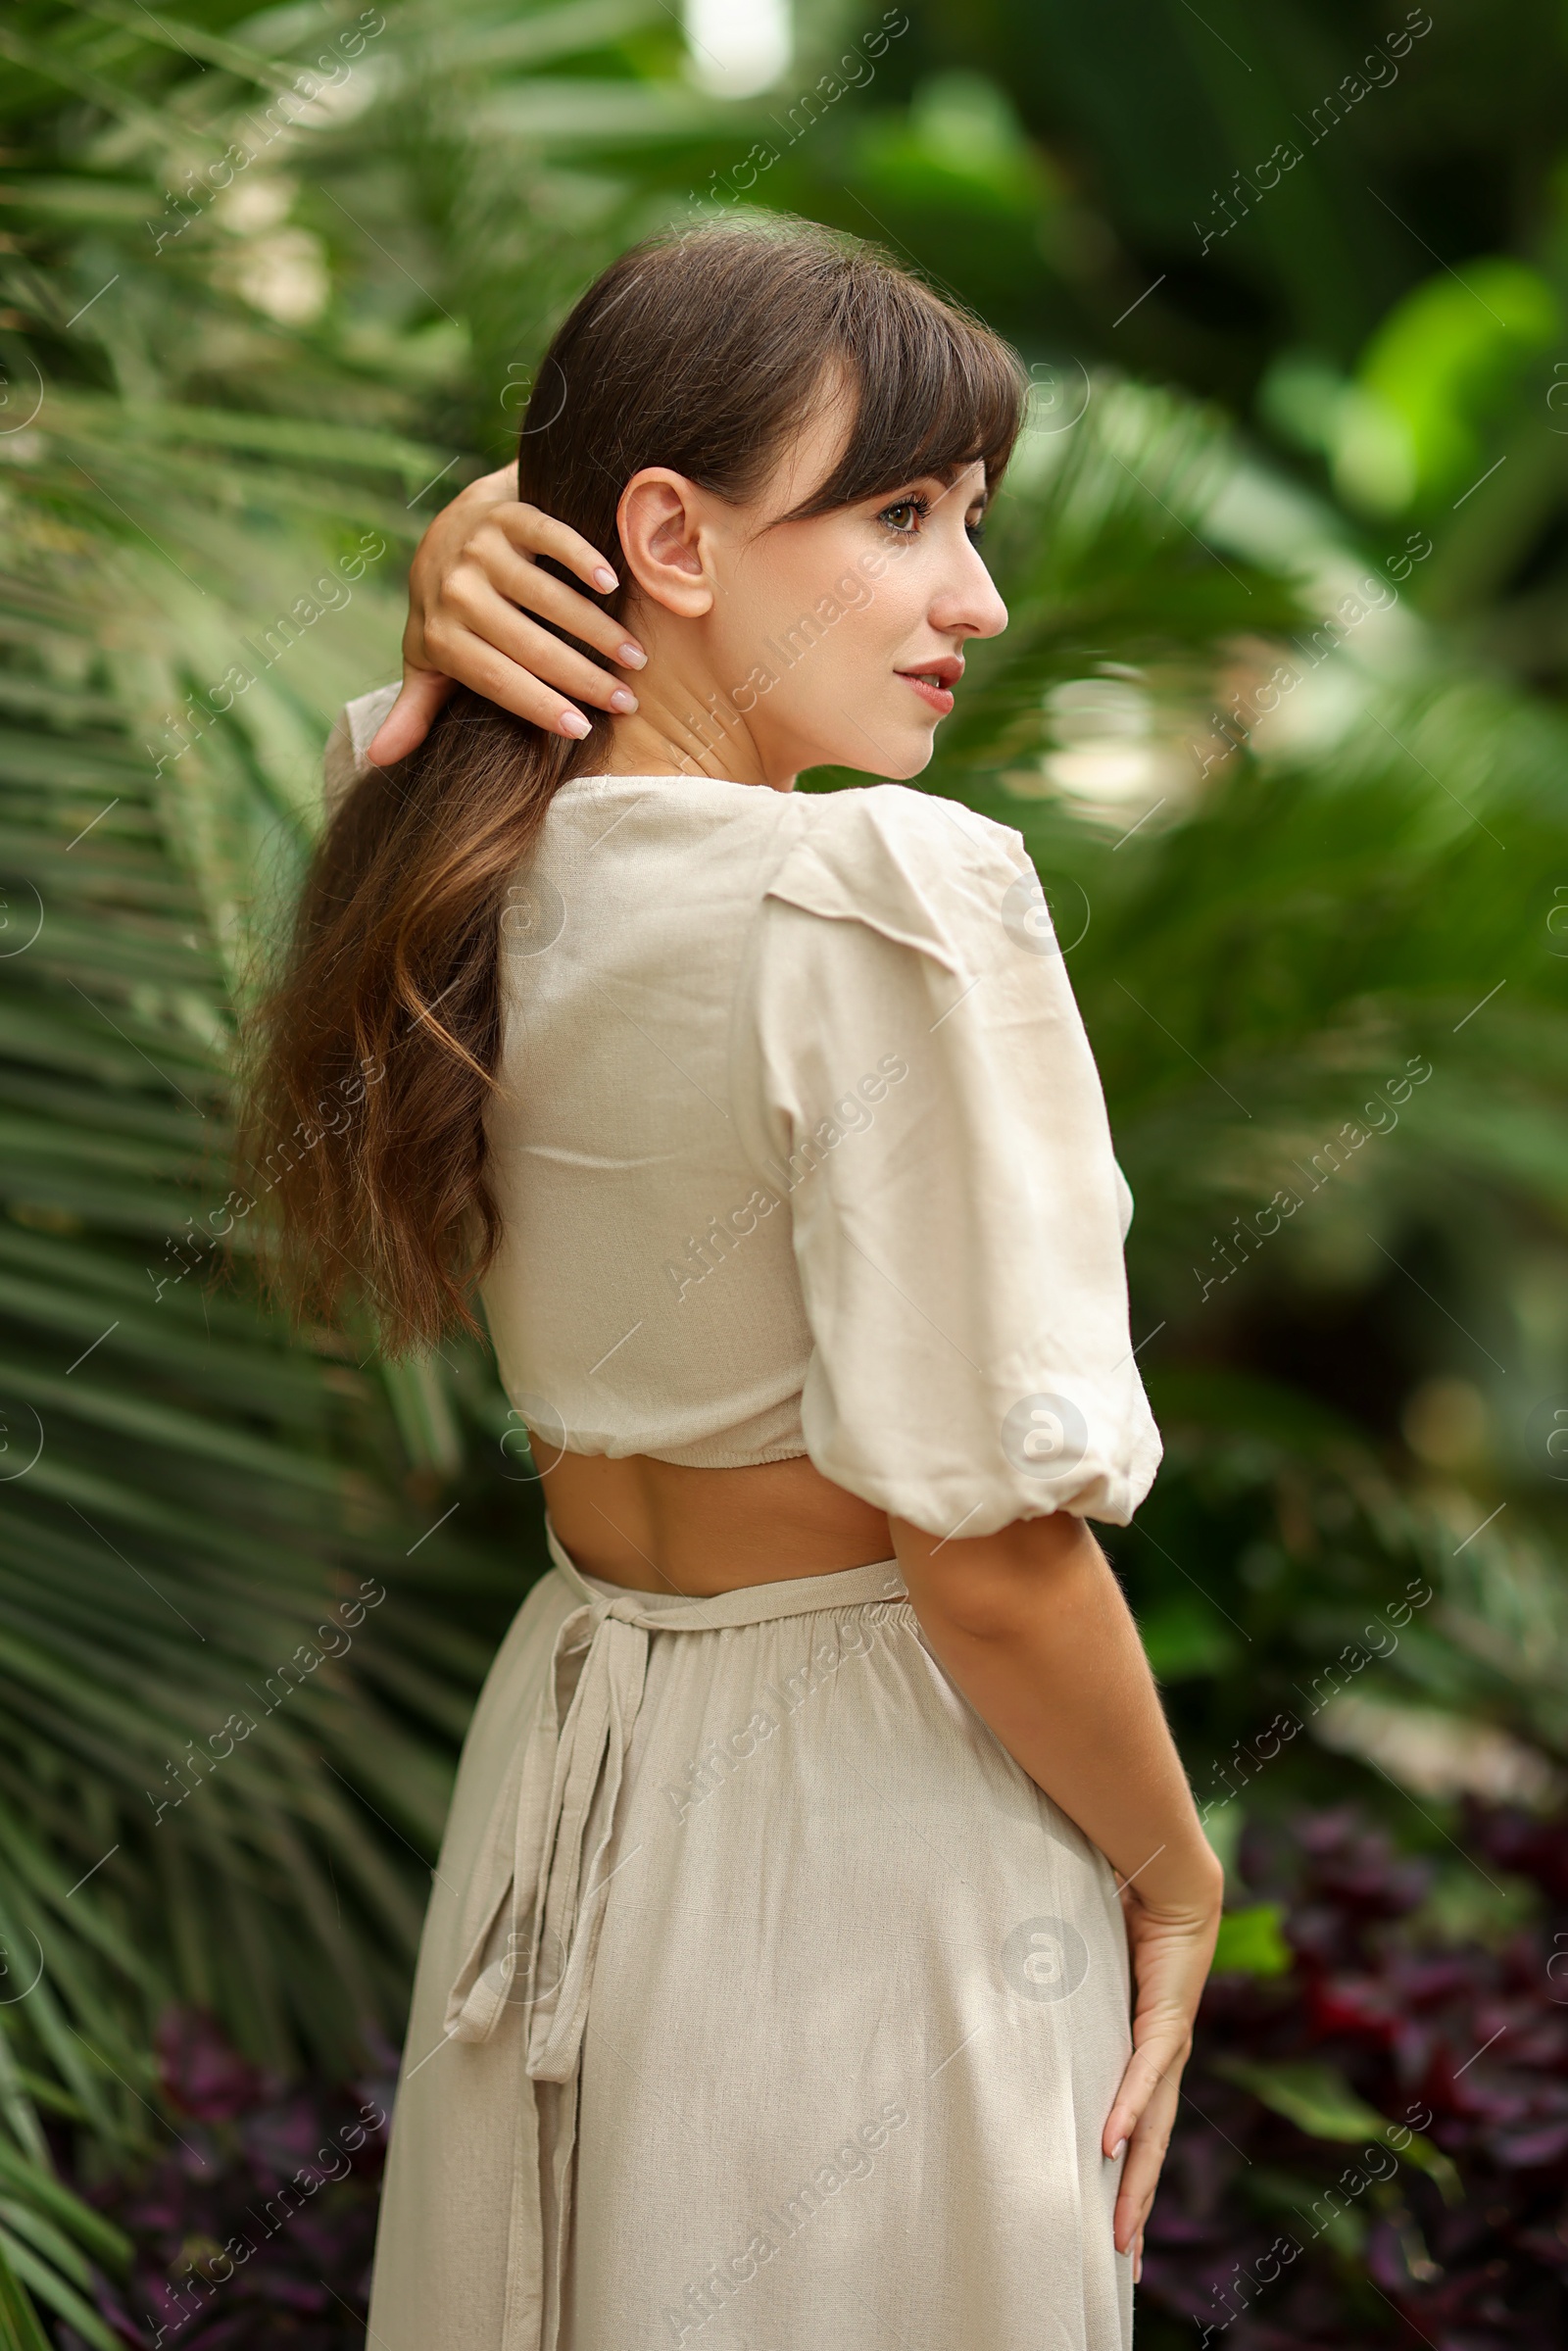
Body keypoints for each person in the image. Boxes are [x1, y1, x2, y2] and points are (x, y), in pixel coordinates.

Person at [246, 218, 1222, 2351]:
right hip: (869, 1793)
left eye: (969, 518)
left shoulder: (424, 831)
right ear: (670, 536)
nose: (970, 597)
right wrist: (1170, 1872)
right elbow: (984, 1553)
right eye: (893, 514)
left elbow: (510, 633)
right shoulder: (881, 893)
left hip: (582, 1746)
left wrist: (484, 538)